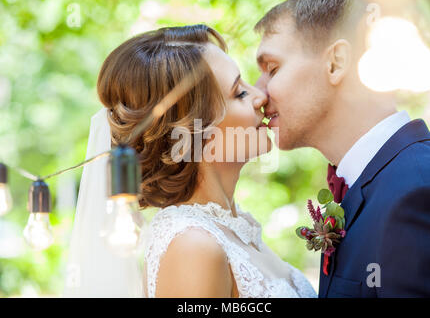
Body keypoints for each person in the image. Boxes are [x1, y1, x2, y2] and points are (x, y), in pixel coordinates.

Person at [64, 24, 317, 298]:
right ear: (194, 130)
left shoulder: (234, 225)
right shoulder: (192, 246)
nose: (260, 96)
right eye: (239, 93)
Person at [254, 0, 430, 297]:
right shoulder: (371, 185)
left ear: (336, 63)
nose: (258, 93)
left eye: (273, 68)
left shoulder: (418, 194)